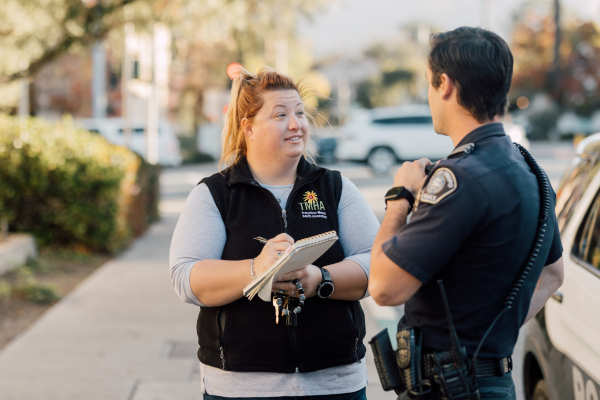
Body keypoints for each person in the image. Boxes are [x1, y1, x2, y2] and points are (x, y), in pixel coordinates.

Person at [369, 27, 564, 400]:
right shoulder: (529, 170)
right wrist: (489, 335)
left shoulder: (459, 178)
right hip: (491, 381)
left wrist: (400, 196)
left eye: (428, 83)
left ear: (445, 84)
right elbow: (552, 274)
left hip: (449, 387)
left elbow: (384, 287)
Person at [170, 66, 380, 400]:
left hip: (336, 385)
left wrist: (319, 279)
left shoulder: (335, 188)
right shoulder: (215, 194)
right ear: (248, 128)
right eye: (280, 115)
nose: (296, 124)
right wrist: (256, 269)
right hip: (240, 389)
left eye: (300, 113)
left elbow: (378, 263)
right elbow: (186, 277)